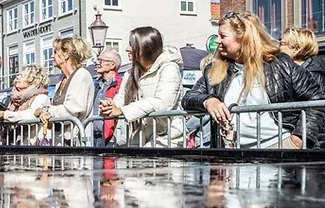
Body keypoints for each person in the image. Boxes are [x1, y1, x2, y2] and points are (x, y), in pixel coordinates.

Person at [182, 11, 325, 149]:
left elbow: (317, 98)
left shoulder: (281, 64)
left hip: (278, 149)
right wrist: (209, 101)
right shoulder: (213, 70)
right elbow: (189, 98)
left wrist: (298, 139)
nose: (217, 40)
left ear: (244, 38)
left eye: (223, 36)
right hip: (232, 153)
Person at [100, 27, 185, 147]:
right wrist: (110, 106)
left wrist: (123, 111)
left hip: (167, 140)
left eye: (131, 44)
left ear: (145, 47)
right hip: (137, 138)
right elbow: (122, 98)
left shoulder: (169, 68)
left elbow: (163, 103)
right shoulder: (130, 72)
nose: (127, 49)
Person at [92, 50, 123, 147]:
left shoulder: (120, 84)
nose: (97, 63)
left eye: (101, 60)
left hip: (111, 138)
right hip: (94, 136)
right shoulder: (97, 84)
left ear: (112, 65)